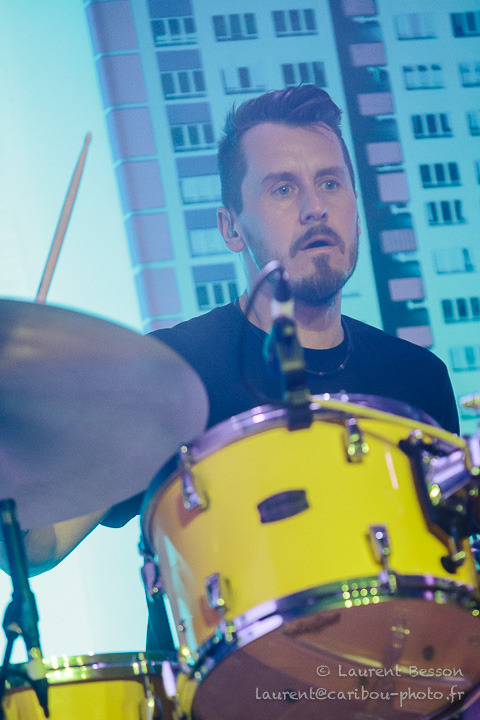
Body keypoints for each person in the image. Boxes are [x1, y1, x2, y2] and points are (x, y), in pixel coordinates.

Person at [0, 85, 461, 651]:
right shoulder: (165, 373)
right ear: (230, 228)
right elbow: (39, 545)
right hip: (219, 687)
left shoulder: (418, 378)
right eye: (283, 188)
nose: (315, 207)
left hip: (394, 682)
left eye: (331, 183)